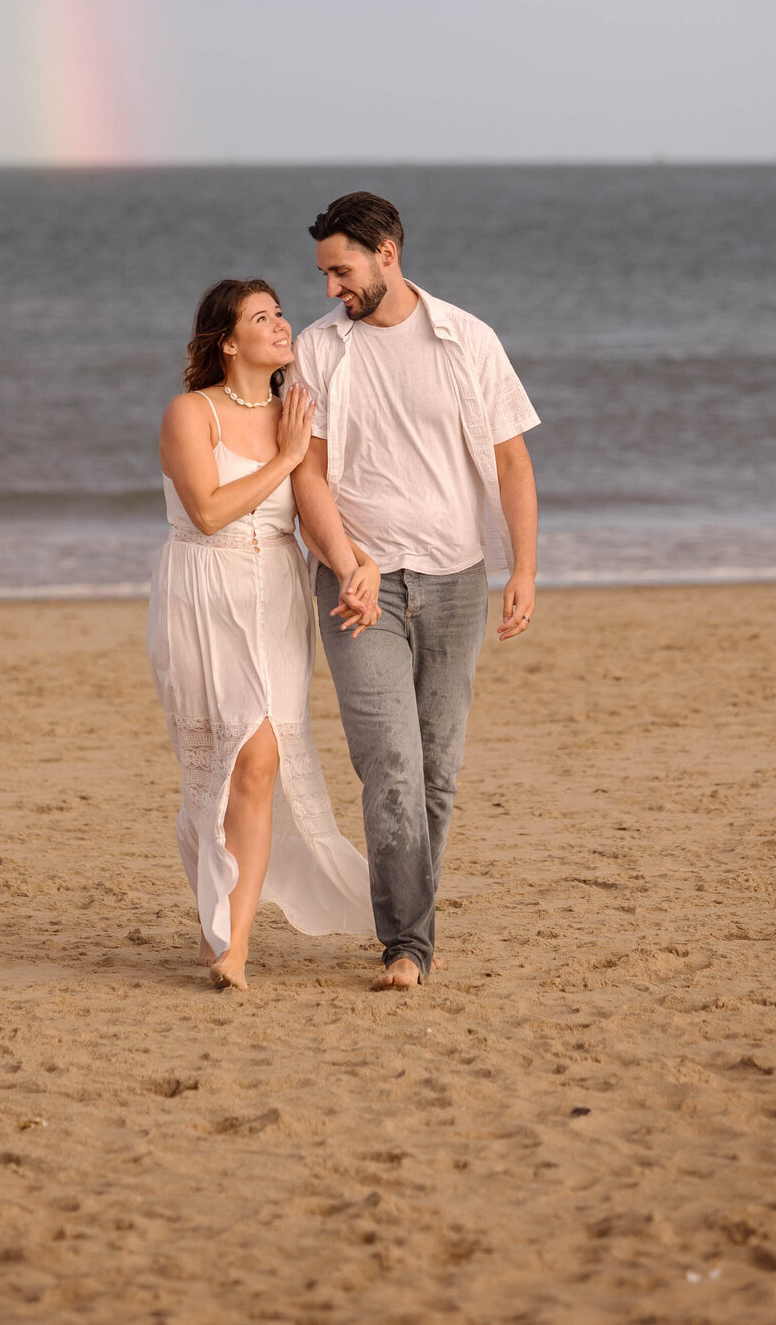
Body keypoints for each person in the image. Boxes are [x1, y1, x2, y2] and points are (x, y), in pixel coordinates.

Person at [289, 193, 540, 992]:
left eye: (341, 270)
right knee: (390, 766)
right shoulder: (318, 348)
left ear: (387, 252)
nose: (331, 288)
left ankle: (406, 926)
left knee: (437, 772)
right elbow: (309, 473)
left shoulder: (468, 339)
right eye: (324, 273)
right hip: (358, 589)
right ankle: (408, 945)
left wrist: (524, 570)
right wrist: (347, 559)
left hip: (457, 578)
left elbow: (512, 465)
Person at [147, 277, 378, 991]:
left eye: (280, 313)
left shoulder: (294, 412)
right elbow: (210, 512)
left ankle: (234, 946)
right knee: (219, 767)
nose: (281, 325)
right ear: (228, 342)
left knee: (262, 759)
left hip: (276, 594)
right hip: (202, 594)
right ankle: (223, 918)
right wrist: (282, 456)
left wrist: (352, 563)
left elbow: (311, 508)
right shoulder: (191, 413)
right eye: (262, 317)